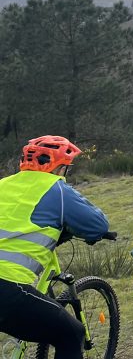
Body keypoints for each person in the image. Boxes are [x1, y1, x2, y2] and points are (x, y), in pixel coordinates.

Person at [0, 136, 109, 359]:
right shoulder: (56, 189)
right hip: (6, 289)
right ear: (59, 167)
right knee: (71, 333)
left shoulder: (3, 184)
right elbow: (97, 225)